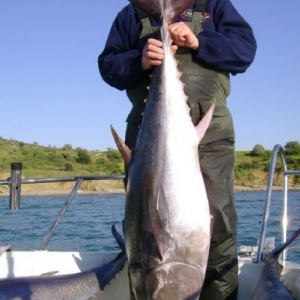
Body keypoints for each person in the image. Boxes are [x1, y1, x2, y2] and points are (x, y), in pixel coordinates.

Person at [98, 0, 256, 299]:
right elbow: (108, 66)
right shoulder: (131, 14)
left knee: (219, 226)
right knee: (142, 227)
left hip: (210, 136)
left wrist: (199, 41)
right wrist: (140, 60)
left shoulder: (215, 5)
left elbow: (245, 51)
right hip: (147, 139)